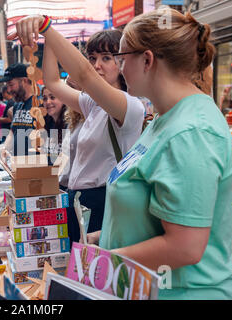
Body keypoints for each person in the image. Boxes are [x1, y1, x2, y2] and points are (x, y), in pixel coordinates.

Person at [14, 9, 232, 299]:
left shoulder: (191, 131)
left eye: (121, 58)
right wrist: (105, 238)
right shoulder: (165, 119)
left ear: (147, 60)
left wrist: (99, 262)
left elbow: (185, 247)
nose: (119, 68)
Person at [36, 28, 145, 240]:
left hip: (103, 204)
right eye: (93, 58)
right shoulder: (92, 104)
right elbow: (52, 82)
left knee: (94, 270)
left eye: (106, 58)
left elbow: (85, 74)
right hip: (78, 201)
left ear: (122, 63)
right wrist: (48, 38)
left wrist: (46, 26)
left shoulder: (129, 106)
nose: (97, 66)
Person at [0, 63, 36, 157]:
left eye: (11, 84)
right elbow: (13, 131)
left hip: (36, 166)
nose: (9, 90)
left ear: (24, 81)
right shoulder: (17, 105)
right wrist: (4, 148)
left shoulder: (40, 104)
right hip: (17, 165)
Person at [41, 86, 67, 165]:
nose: (48, 102)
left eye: (52, 97)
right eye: (45, 99)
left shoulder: (70, 125)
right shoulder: (47, 123)